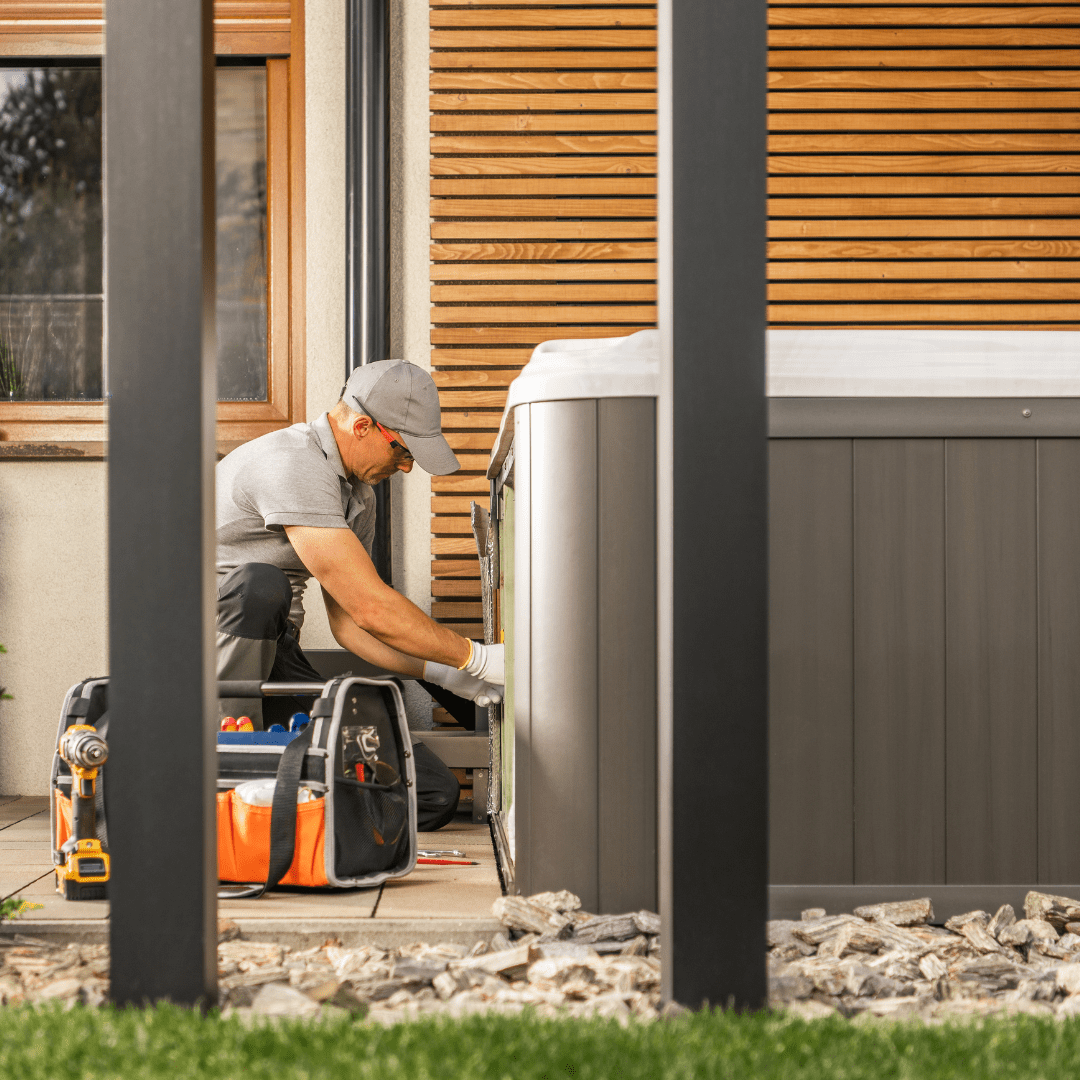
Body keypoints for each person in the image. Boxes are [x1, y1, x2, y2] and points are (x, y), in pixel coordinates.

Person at [215, 359, 504, 830]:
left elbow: (352, 623)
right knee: (259, 586)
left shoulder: (356, 497)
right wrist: (476, 658)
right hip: (205, 651)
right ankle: (224, 766)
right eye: (403, 451)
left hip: (271, 655)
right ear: (362, 424)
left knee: (428, 792)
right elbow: (373, 607)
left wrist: (446, 674)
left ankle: (284, 805)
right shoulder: (293, 463)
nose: (407, 467)